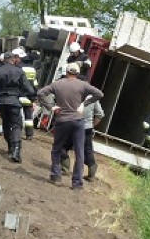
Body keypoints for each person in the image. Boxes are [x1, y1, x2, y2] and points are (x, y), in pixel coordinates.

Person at [36, 62, 104, 190]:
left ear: (66, 72)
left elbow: (40, 94)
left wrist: (51, 107)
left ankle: (56, 176)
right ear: (77, 73)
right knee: (79, 152)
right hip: (78, 121)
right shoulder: (83, 85)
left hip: (62, 120)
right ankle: (77, 183)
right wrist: (85, 103)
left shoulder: (57, 84)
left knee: (57, 149)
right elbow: (100, 94)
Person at [0, 47, 37, 163]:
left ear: (3, 60)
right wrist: (31, 96)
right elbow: (29, 89)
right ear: (13, 60)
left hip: (1, 101)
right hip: (14, 101)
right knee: (17, 125)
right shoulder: (19, 71)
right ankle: (16, 151)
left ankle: (10, 147)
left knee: (6, 124)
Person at [19, 50, 38, 140]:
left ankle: (17, 132)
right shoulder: (33, 69)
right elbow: (35, 84)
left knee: (17, 116)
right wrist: (34, 98)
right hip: (29, 97)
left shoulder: (18, 68)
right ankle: (29, 135)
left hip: (19, 96)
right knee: (28, 117)